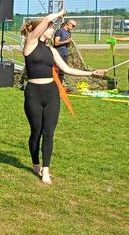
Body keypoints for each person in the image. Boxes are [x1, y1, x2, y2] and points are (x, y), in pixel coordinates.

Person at [21, 10, 105, 184]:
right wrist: (59, 13)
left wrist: (91, 73)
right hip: (33, 94)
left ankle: (45, 170)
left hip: (51, 93)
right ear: (39, 29)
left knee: (48, 132)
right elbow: (45, 20)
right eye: (50, 27)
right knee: (36, 132)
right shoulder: (30, 44)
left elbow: (67, 70)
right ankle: (36, 164)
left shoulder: (51, 50)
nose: (52, 30)